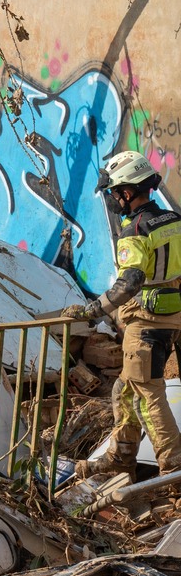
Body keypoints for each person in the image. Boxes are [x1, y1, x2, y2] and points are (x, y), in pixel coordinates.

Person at [65, 150, 181, 479]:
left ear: (127, 191)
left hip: (144, 324)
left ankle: (173, 467)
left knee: (147, 395)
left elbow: (130, 281)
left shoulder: (134, 232)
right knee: (124, 391)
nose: (114, 199)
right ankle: (120, 454)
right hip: (173, 318)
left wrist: (92, 310)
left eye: (115, 192)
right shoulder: (174, 221)